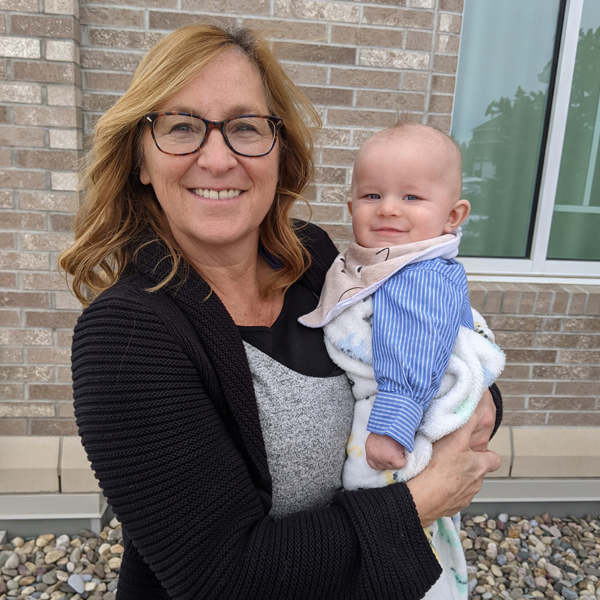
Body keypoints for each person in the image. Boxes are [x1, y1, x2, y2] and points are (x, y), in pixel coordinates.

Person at [59, 24, 502, 600]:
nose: (217, 159)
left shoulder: (315, 258)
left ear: (277, 149)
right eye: (183, 127)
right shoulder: (125, 338)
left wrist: (482, 399)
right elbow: (225, 577)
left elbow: (436, 330)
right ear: (141, 160)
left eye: (245, 127)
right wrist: (425, 498)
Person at [300, 123, 505, 599]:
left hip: (396, 415)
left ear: (453, 215)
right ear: (350, 207)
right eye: (372, 195)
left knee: (382, 511)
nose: (388, 207)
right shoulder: (383, 261)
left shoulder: (418, 274)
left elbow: (416, 350)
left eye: (411, 198)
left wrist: (394, 420)